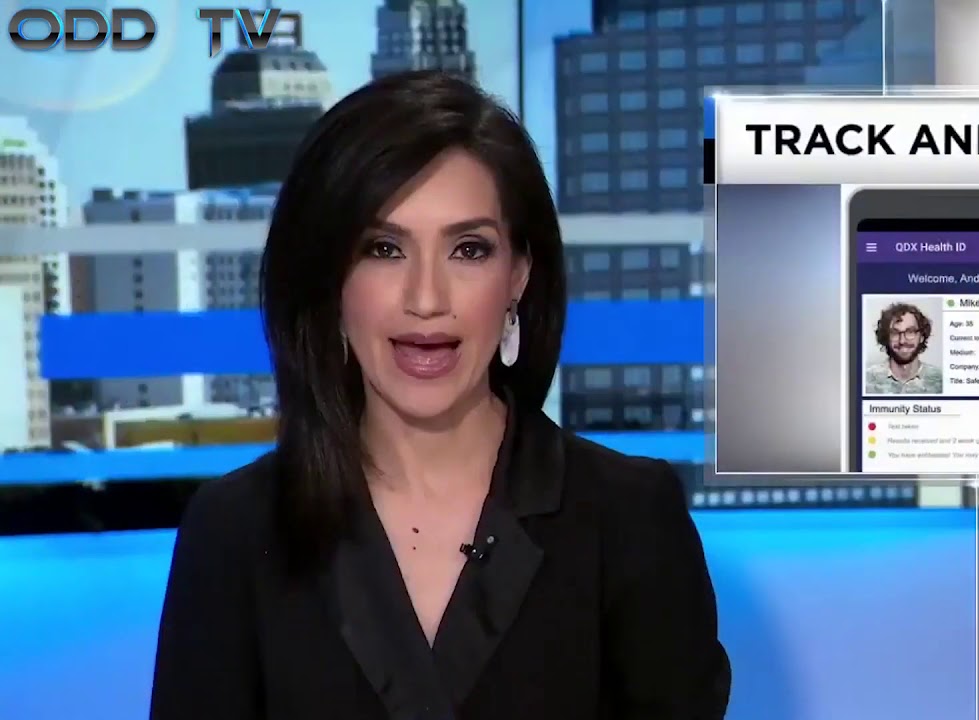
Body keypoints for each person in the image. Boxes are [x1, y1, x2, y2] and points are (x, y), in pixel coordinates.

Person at [150, 71, 731, 720]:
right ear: (330, 279)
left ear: (518, 275)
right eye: (384, 248)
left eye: (469, 249)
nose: (426, 299)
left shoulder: (628, 518)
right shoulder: (235, 531)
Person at [864, 302, 943, 395]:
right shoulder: (866, 380)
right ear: (886, 337)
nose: (902, 341)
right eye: (895, 333)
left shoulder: (940, 381)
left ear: (921, 336)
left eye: (910, 332)